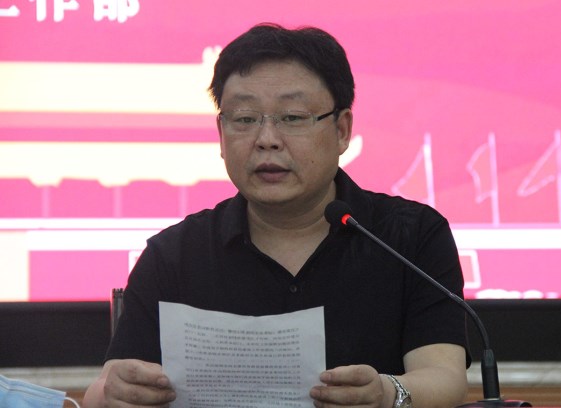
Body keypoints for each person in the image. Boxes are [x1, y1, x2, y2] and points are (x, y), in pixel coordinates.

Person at [84, 23, 469, 408]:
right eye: (245, 118)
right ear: (221, 133)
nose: (267, 139)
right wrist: (112, 394)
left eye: (293, 117)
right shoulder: (174, 255)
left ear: (342, 130)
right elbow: (103, 389)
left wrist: (386, 394)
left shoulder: (411, 237)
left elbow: (445, 379)